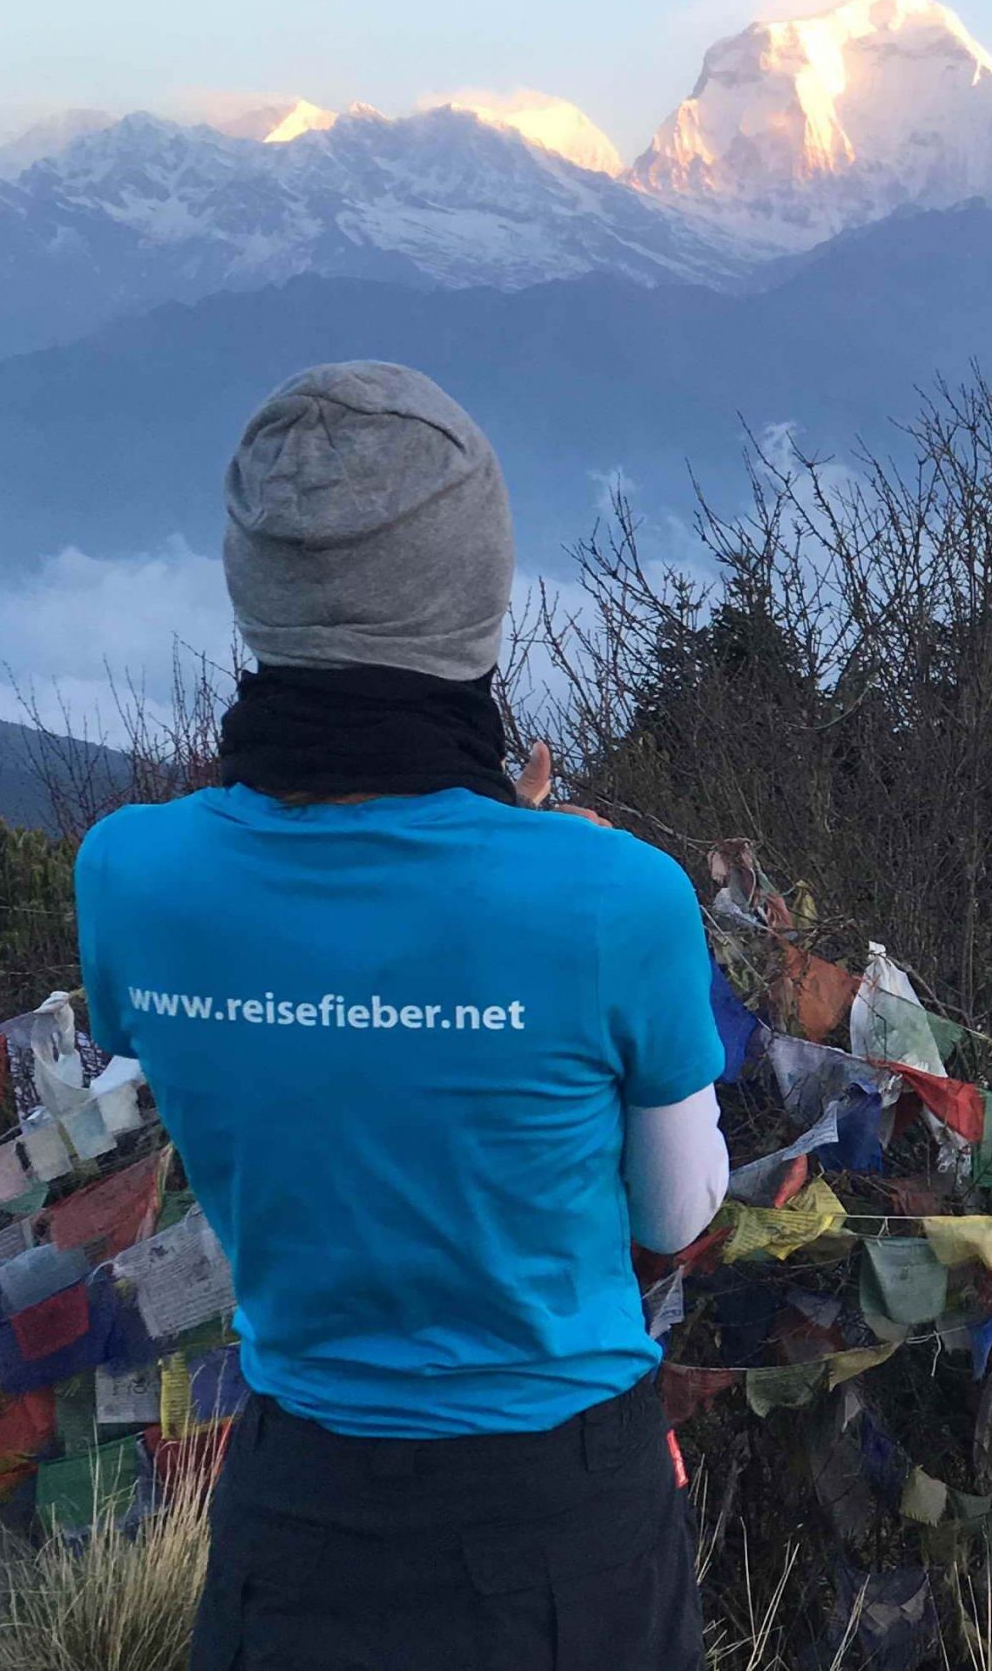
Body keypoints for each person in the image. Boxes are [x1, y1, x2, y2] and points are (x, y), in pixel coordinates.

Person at [74, 361, 727, 1671]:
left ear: (256, 591)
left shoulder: (130, 877)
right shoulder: (616, 898)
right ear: (479, 595)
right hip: (563, 1523)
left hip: (296, 1507)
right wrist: (536, 874)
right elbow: (678, 1215)